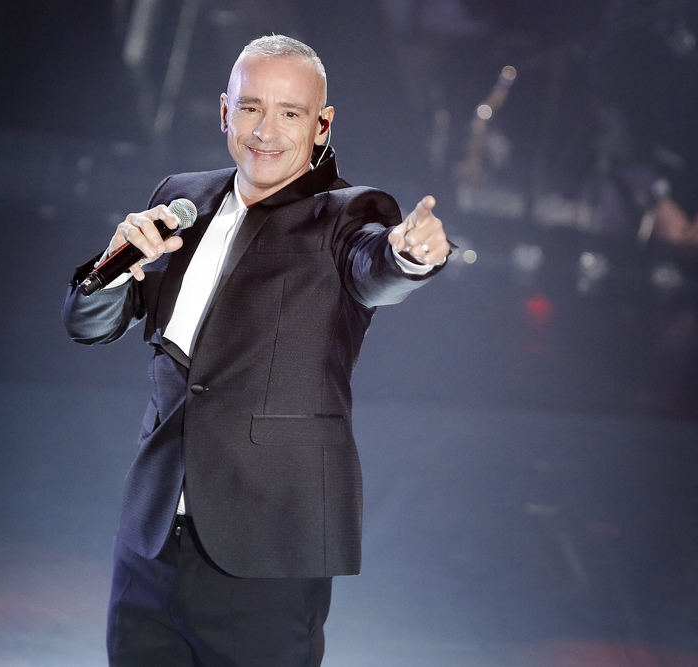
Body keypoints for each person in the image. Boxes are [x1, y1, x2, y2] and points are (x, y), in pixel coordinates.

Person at [61, 35, 450, 666]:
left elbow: (375, 266)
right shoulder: (181, 200)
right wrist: (112, 266)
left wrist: (409, 256)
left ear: (321, 124)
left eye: (290, 113)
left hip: (267, 549)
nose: (265, 131)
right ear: (225, 112)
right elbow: (88, 326)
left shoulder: (347, 214)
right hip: (152, 542)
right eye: (250, 108)